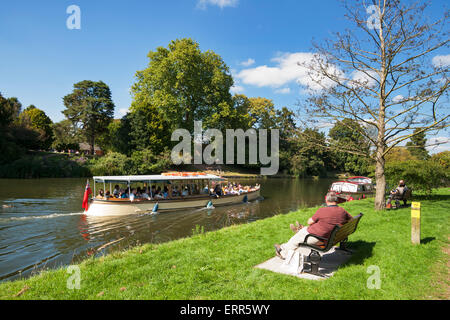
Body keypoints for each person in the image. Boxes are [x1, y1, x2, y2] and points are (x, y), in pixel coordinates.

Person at [274, 191, 353, 260]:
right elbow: (351, 220)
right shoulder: (342, 211)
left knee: (294, 239)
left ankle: (282, 251)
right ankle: (300, 230)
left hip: (318, 239)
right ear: (336, 200)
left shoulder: (322, 210)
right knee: (306, 230)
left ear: (326, 199)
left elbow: (309, 222)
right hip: (330, 237)